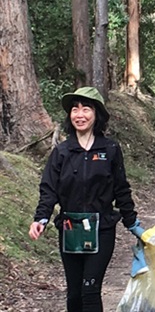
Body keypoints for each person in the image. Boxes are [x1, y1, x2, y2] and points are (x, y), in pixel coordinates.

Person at [28, 87, 144, 312]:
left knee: (90, 290)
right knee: (74, 294)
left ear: (97, 114)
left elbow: (121, 189)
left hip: (102, 229)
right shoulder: (62, 152)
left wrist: (133, 224)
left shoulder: (109, 149)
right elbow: (49, 189)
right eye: (75, 109)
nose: (79, 115)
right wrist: (41, 218)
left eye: (86, 109)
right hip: (70, 230)